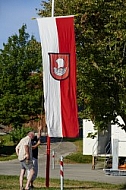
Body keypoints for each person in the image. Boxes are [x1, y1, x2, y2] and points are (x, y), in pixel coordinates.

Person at [27, 123, 42, 188]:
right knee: (30, 171)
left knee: (35, 170)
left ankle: (32, 183)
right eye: (32, 135)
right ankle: (29, 184)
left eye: (33, 135)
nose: (33, 136)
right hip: (30, 157)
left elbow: (39, 136)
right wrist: (37, 144)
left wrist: (39, 130)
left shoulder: (35, 138)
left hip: (35, 157)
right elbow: (31, 147)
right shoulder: (28, 140)